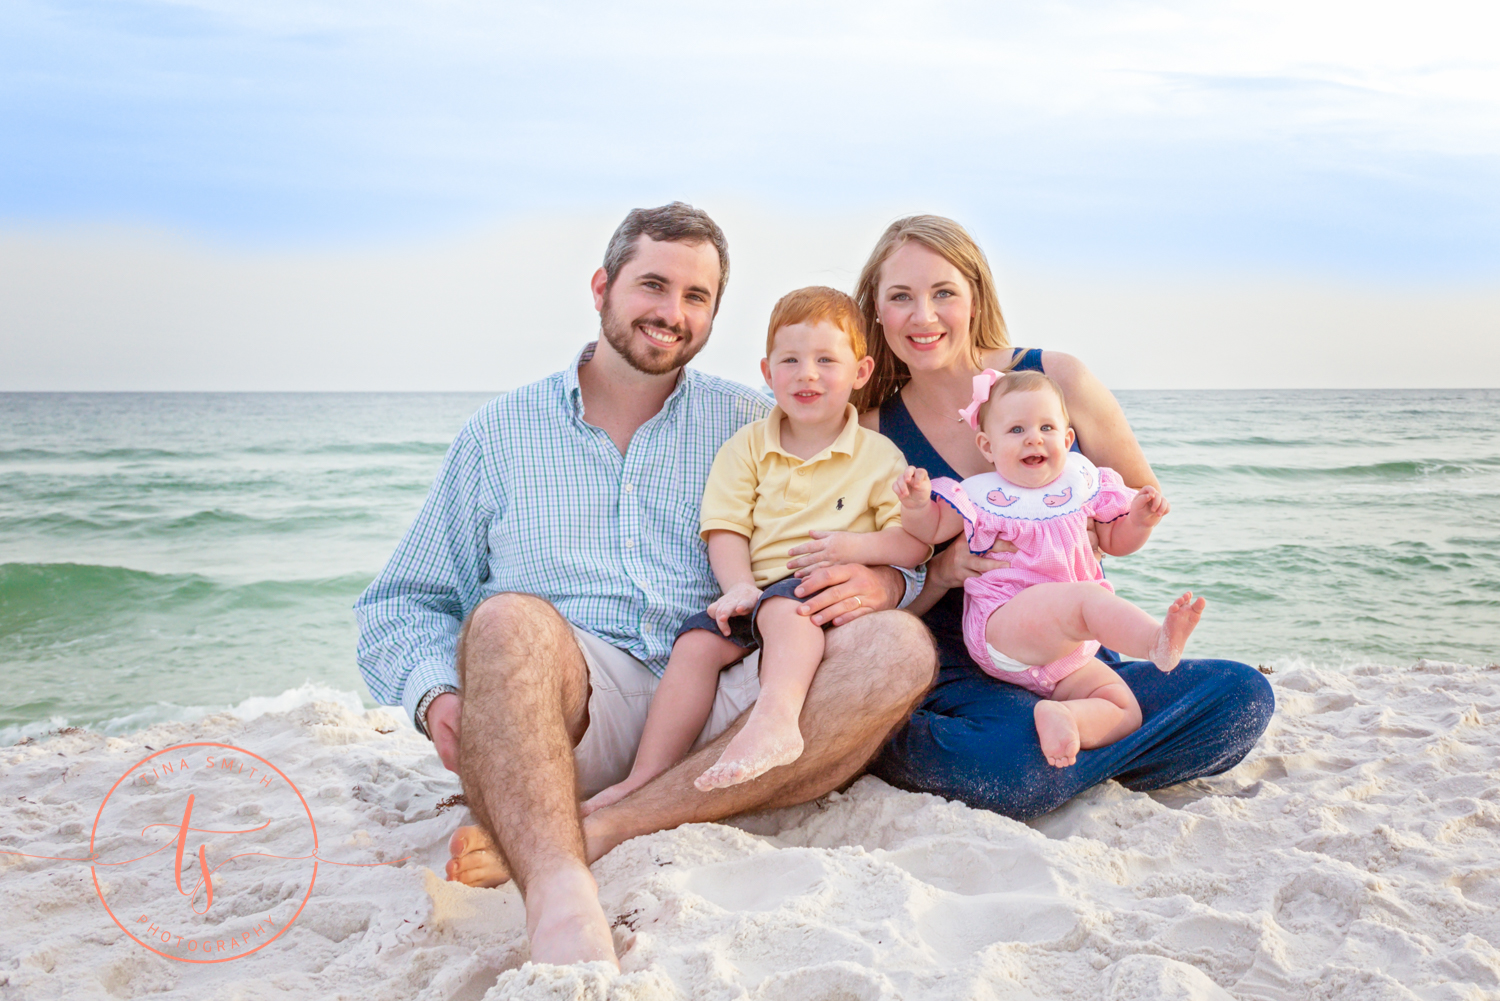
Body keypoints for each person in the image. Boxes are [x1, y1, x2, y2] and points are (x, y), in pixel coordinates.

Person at [354, 204, 936, 968]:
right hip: (571, 717)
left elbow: (873, 516)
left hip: (730, 701)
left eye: (696, 298)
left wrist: (884, 576)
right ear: (603, 285)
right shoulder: (500, 434)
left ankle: (609, 824)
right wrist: (437, 697)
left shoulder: (755, 421)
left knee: (900, 648)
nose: (672, 313)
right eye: (653, 286)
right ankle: (561, 889)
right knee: (502, 620)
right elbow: (402, 601)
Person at [790, 213, 1274, 820]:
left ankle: (1066, 749)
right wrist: (942, 571)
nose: (924, 316)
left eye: (943, 292)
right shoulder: (869, 428)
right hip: (960, 663)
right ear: (877, 313)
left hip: (1070, 648)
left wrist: (1102, 528)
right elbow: (885, 584)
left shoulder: (1057, 379)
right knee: (1002, 762)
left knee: (1243, 696)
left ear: (975, 296)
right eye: (901, 297)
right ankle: (1033, 757)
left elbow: (1133, 503)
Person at [582, 287, 929, 813]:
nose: (806, 374)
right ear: (767, 373)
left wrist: (852, 547)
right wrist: (739, 587)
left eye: (825, 361)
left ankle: (777, 718)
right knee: (695, 646)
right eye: (790, 360)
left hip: (819, 600)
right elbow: (725, 528)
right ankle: (645, 776)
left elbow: (911, 544)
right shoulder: (747, 446)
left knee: (786, 609)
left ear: (860, 372)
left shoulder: (879, 457)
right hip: (759, 595)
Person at [894, 367, 1206, 769]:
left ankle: (1066, 718)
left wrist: (1139, 522)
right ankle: (1156, 642)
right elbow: (933, 527)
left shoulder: (1081, 487)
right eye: (1017, 430)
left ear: (1068, 439)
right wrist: (917, 505)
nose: (1033, 438)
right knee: (1084, 600)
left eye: (1046, 427)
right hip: (1004, 625)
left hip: (1066, 658)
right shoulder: (986, 497)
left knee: (1124, 710)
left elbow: (1115, 542)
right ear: (987, 446)